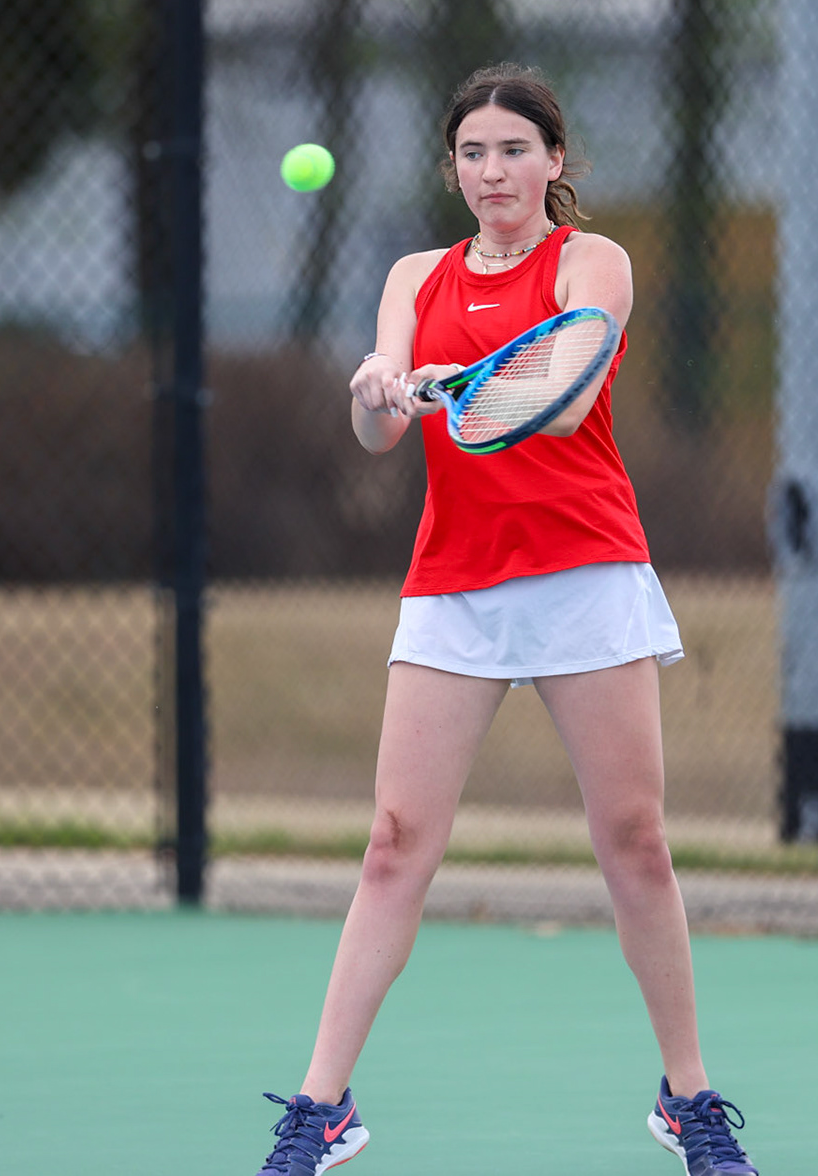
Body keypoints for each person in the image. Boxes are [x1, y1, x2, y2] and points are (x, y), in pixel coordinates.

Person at [248, 66, 759, 1176]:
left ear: (555, 162)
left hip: (586, 575)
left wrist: (462, 379)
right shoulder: (413, 275)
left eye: (515, 151)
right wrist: (378, 384)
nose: (494, 174)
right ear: (454, 169)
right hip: (455, 589)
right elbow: (381, 436)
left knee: (635, 843)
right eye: (474, 155)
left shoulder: (593, 262)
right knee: (393, 844)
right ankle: (319, 1109)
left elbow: (566, 394)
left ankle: (692, 1099)